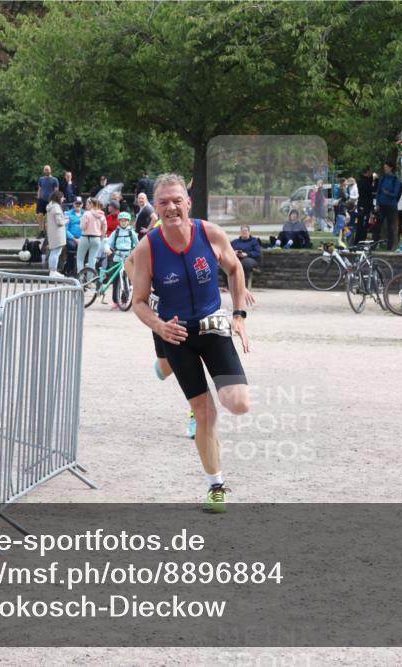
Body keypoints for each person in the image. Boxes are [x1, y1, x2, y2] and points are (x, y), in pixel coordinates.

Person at [128, 173, 250, 513]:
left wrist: (238, 314)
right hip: (176, 334)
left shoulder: (210, 234)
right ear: (155, 208)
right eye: (163, 202)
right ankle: (216, 486)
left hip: (212, 328)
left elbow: (235, 269)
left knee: (239, 403)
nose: (171, 207)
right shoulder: (148, 248)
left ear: (188, 203)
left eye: (176, 201)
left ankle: (163, 367)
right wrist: (159, 326)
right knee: (204, 412)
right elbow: (138, 301)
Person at [105, 211, 139, 309]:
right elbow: (108, 242)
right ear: (119, 221)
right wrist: (107, 249)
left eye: (125, 221)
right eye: (121, 220)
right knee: (116, 280)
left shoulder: (131, 232)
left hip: (128, 257)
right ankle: (115, 301)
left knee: (127, 279)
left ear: (128, 221)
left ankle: (125, 300)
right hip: (117, 257)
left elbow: (138, 244)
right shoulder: (116, 232)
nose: (123, 222)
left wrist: (136, 252)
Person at [44, 190, 74, 277]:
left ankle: (52, 271)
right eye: (62, 197)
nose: (63, 199)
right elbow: (59, 222)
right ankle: (53, 271)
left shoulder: (51, 206)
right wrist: (66, 220)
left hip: (53, 233)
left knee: (54, 252)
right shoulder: (56, 208)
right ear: (59, 198)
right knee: (56, 253)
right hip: (57, 234)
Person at [373, 161, 401, 251]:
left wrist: (387, 193)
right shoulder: (383, 178)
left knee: (390, 226)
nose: (385, 169)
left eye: (386, 167)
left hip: (391, 206)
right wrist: (377, 204)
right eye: (384, 167)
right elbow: (378, 192)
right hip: (381, 205)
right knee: (377, 225)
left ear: (391, 168)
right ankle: (374, 244)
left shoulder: (395, 179)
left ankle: (390, 246)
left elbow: (396, 193)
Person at [77, 197, 107, 273]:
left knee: (80, 259)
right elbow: (104, 229)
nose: (86, 205)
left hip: (85, 238)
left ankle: (80, 277)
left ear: (91, 204)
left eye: (87, 203)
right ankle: (90, 278)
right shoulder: (102, 215)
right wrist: (101, 238)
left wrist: (81, 223)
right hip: (97, 238)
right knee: (92, 260)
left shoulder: (86, 214)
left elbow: (82, 227)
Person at [63, 196, 84, 275]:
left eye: (79, 203)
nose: (78, 205)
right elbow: (65, 229)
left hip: (83, 237)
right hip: (71, 238)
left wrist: (81, 238)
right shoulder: (67, 213)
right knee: (72, 246)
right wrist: (74, 239)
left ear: (82, 204)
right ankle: (69, 268)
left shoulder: (86, 214)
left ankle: (82, 270)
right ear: (73, 204)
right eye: (76, 203)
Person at [355, 167, 375, 243]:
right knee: (363, 223)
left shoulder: (362, 180)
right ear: (367, 172)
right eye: (370, 172)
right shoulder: (364, 181)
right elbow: (370, 189)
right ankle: (360, 239)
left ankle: (360, 239)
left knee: (362, 223)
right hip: (364, 204)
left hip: (363, 204)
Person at [36, 165, 59, 229]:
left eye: (48, 169)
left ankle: (47, 231)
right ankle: (41, 230)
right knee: (40, 215)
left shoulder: (54, 180)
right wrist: (38, 198)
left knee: (48, 217)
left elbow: (56, 191)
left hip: (50, 201)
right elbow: (39, 189)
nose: (47, 171)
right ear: (44, 171)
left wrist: (55, 201)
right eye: (45, 170)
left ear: (50, 170)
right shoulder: (41, 179)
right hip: (42, 200)